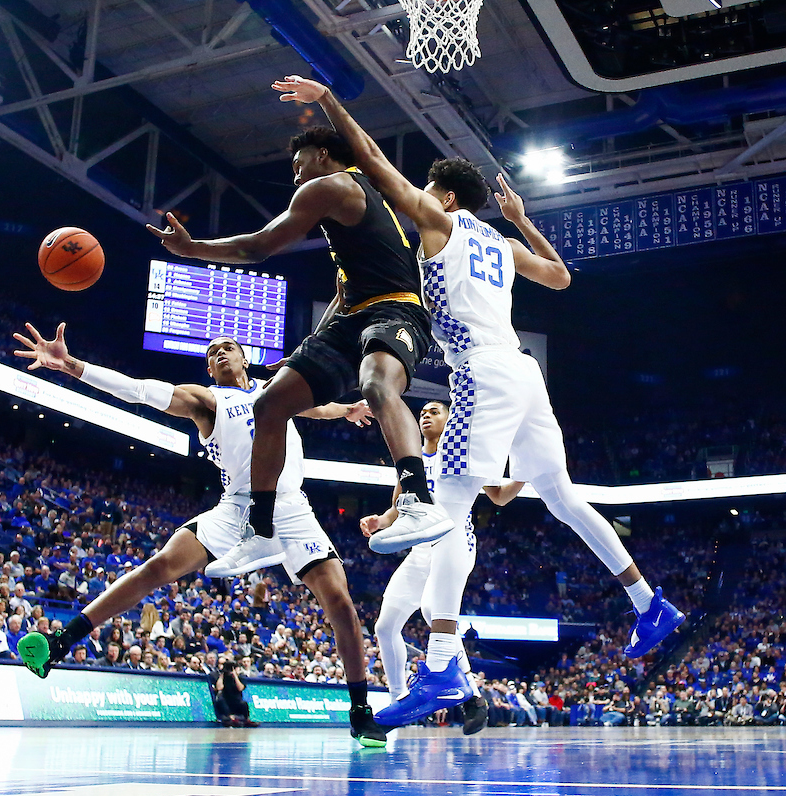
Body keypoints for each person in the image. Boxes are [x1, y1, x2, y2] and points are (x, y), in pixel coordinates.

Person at [279, 73, 686, 728]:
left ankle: (442, 667)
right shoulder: (501, 241)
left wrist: (329, 102)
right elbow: (561, 276)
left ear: (443, 196)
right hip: (525, 373)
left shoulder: (438, 221)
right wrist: (521, 219)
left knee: (444, 509)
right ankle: (649, 603)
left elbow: (375, 163)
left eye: (427, 190)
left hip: (482, 372)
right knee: (563, 498)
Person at [11, 324, 388, 746]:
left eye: (228, 347)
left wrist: (346, 410)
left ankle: (360, 711)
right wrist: (72, 366)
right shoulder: (208, 400)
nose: (220, 353)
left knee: (341, 604)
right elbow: (138, 390)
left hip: (291, 507)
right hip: (237, 507)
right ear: (209, 369)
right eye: (212, 353)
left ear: (245, 358)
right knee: (159, 566)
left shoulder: (276, 390)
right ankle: (61, 643)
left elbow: (315, 408)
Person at [146, 125, 452, 580]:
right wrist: (305, 355)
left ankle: (418, 500)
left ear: (323, 155)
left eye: (298, 164)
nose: (295, 177)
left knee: (376, 382)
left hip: (398, 310)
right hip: (354, 317)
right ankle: (261, 531)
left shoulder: (335, 185)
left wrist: (192, 249)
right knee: (269, 404)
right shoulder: (353, 219)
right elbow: (342, 296)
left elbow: (257, 247)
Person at [361, 400, 524, 734]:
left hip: (455, 542)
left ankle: (471, 696)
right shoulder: (411, 459)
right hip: (420, 549)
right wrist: (380, 520)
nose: (425, 415)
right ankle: (400, 700)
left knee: (433, 610)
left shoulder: (463, 455)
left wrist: (525, 473)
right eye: (423, 412)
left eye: (434, 411)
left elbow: (499, 496)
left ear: (450, 420)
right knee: (385, 627)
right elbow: (398, 508)